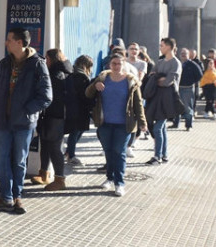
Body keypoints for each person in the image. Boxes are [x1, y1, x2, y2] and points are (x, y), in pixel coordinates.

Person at [0, 26, 51, 213]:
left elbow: (46, 96)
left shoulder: (37, 64)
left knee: (19, 161)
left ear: (19, 43)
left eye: (9, 40)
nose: (6, 43)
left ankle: (17, 196)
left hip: (23, 123)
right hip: (3, 122)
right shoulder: (4, 63)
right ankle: (6, 197)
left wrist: (25, 110)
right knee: (3, 160)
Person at [85, 53, 146, 196]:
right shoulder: (103, 78)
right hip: (105, 123)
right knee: (109, 151)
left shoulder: (131, 81)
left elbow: (138, 103)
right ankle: (109, 178)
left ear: (124, 65)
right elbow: (87, 94)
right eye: (114, 64)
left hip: (124, 124)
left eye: (119, 64)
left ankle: (119, 183)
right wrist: (95, 85)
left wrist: (142, 122)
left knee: (119, 152)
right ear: (109, 65)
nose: (117, 66)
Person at [33, 49, 71, 191]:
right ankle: (44, 174)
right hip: (52, 116)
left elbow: (52, 97)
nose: (46, 62)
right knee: (47, 145)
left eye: (47, 59)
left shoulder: (57, 75)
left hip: (56, 117)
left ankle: (60, 180)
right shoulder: (59, 71)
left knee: (54, 148)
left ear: (51, 59)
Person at [144, 37, 182, 165]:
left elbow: (167, 81)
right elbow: (152, 76)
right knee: (162, 128)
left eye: (162, 45)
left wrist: (159, 78)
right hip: (157, 97)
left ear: (169, 47)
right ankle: (164, 155)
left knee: (157, 128)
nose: (160, 47)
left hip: (168, 99)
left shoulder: (176, 63)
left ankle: (157, 157)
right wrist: (157, 78)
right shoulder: (160, 62)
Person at [64, 55, 94, 165]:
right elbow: (85, 95)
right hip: (80, 109)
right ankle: (71, 155)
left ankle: (68, 152)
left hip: (72, 108)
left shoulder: (71, 73)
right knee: (76, 132)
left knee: (77, 131)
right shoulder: (82, 77)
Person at [172, 48, 202, 131]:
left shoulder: (192, 64)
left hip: (187, 89)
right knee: (176, 107)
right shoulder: (178, 63)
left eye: (185, 53)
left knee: (187, 108)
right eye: (182, 53)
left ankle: (188, 125)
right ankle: (176, 124)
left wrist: (191, 81)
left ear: (188, 55)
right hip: (177, 88)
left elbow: (200, 75)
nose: (183, 55)